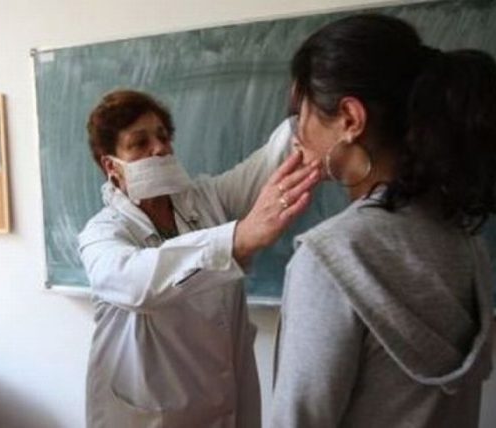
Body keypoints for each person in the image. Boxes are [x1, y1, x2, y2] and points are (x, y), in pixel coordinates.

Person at [271, 14, 496, 428]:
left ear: (350, 119)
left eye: (300, 112)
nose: (295, 132)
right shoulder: (465, 243)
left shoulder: (329, 258)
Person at [79, 89, 320, 427]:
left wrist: (308, 112)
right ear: (111, 165)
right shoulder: (101, 234)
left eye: (163, 137)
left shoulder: (206, 199)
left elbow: (270, 162)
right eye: (140, 142)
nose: (159, 148)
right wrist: (236, 239)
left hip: (224, 406)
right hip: (151, 418)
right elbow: (134, 282)